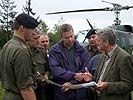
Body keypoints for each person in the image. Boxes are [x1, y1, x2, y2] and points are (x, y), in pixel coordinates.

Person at [0, 13, 38, 100]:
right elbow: (26, 89)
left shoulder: (7, 46)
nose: (33, 32)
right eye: (32, 29)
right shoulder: (22, 50)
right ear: (22, 28)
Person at [49, 23, 92, 100]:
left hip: (80, 92)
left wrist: (72, 83)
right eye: (66, 37)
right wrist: (74, 75)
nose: (70, 39)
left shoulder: (82, 50)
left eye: (71, 36)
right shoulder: (55, 51)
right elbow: (55, 70)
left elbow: (85, 70)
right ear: (61, 37)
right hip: (62, 92)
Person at [91, 28, 133, 100]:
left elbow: (128, 85)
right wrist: (90, 78)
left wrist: (107, 86)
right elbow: (100, 79)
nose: (96, 43)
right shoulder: (103, 56)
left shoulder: (124, 58)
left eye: (98, 41)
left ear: (106, 42)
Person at [28, 31, 50, 100]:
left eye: (47, 41)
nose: (37, 41)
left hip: (41, 89)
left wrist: (46, 76)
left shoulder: (42, 52)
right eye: (35, 39)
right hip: (28, 89)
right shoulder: (23, 52)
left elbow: (48, 69)